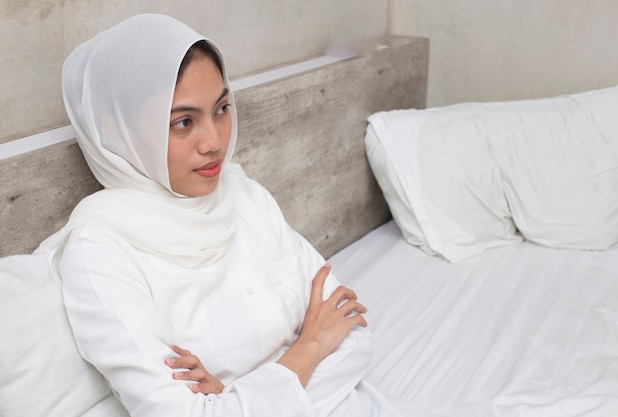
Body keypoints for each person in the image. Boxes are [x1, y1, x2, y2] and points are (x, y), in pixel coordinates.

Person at [39, 13, 425, 417]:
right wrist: (309, 346)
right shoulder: (100, 253)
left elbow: (352, 334)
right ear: (120, 131)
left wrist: (234, 396)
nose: (214, 141)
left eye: (221, 108)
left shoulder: (243, 194)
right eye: (183, 122)